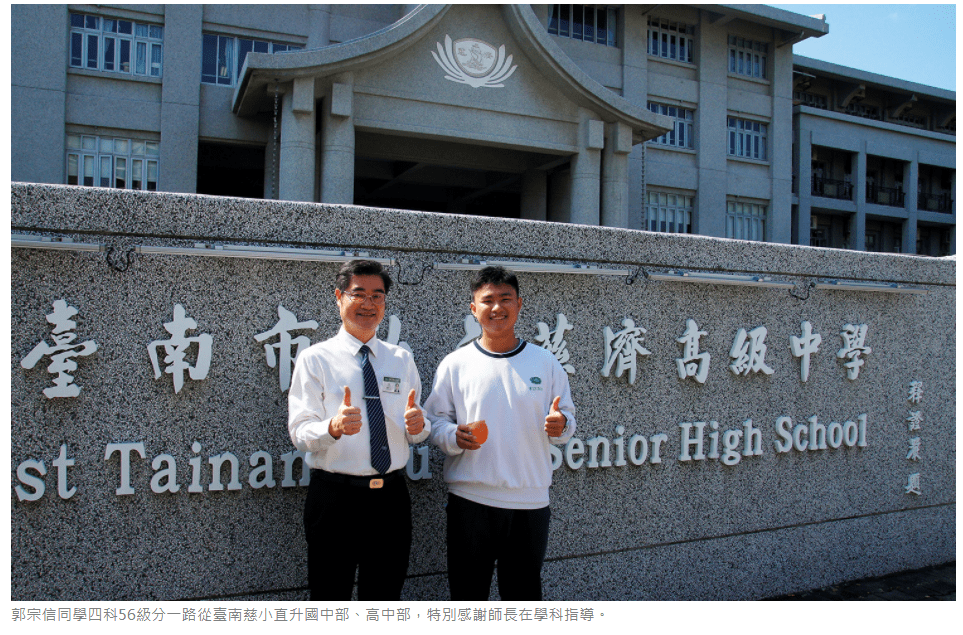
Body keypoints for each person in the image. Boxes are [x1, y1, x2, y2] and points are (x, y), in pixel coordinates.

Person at [424, 265, 576, 601]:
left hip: (530, 502)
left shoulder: (545, 362)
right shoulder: (455, 364)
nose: (497, 307)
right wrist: (453, 436)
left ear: (519, 304)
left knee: (523, 597)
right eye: (488, 300)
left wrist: (561, 424)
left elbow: (566, 418)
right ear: (473, 308)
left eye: (505, 299)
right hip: (470, 501)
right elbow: (434, 421)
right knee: (467, 597)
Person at [288, 259, 428, 600]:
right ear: (339, 297)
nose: (369, 303)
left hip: (390, 498)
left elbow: (416, 429)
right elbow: (299, 431)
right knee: (329, 596)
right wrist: (332, 428)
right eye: (359, 294)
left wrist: (419, 427)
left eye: (377, 295)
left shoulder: (401, 359)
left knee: (384, 597)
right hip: (335, 498)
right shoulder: (316, 359)